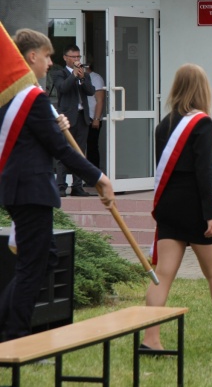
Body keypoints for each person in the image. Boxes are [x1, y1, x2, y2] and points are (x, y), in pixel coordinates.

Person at [0, 28, 115, 341]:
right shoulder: (30, 98)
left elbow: (36, 137)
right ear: (32, 56)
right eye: (47, 55)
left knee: (45, 258)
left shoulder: (18, 97)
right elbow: (60, 149)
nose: (50, 62)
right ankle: (15, 336)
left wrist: (54, 124)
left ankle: (9, 327)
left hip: (24, 189)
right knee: (32, 266)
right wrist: (99, 177)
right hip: (30, 190)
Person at [142, 64, 212, 356]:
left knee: (163, 274)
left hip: (169, 204)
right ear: (202, 89)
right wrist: (210, 214)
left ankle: (150, 339)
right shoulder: (202, 123)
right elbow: (204, 172)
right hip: (194, 206)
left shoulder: (164, 124)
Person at [52, 44, 95, 197]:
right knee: (63, 152)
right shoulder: (59, 73)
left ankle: (77, 186)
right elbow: (63, 88)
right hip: (66, 118)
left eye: (78, 56)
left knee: (79, 152)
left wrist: (82, 77)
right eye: (73, 57)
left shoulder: (84, 74)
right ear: (65, 58)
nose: (77, 60)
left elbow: (91, 91)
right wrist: (74, 75)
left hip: (82, 117)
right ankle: (61, 186)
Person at [85, 63, 105, 169]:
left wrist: (96, 119)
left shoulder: (96, 78)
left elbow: (100, 100)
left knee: (92, 147)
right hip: (83, 117)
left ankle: (94, 173)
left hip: (93, 118)